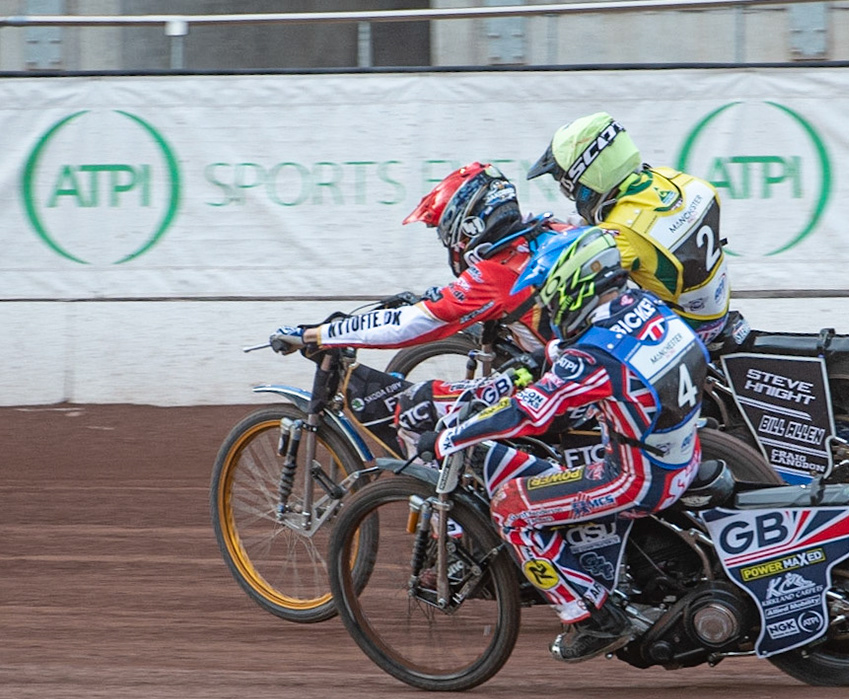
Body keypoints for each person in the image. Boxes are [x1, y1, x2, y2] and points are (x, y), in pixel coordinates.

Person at [525, 111, 849, 530]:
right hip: (717, 313)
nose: (569, 192)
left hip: (677, 334)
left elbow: (587, 258)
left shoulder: (621, 232)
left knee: (578, 352)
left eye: (569, 181)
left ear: (591, 172)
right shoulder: (680, 184)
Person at [414, 228, 710, 663]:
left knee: (511, 508)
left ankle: (592, 618)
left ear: (574, 288)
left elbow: (528, 413)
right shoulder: (645, 307)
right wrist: (528, 369)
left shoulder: (594, 356)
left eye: (552, 298)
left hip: (635, 477)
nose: (549, 309)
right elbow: (563, 355)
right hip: (685, 450)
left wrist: (452, 435)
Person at [278, 161, 566, 359]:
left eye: (446, 231)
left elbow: (405, 325)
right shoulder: (551, 229)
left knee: (421, 407)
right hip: (588, 365)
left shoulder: (495, 273)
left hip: (566, 392)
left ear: (470, 223)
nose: (450, 243)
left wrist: (316, 334)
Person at [526, 111, 733, 346]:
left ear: (586, 174)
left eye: (566, 186)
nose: (570, 195)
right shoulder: (676, 180)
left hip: (684, 326)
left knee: (572, 330)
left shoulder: (624, 232)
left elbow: (577, 263)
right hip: (717, 307)